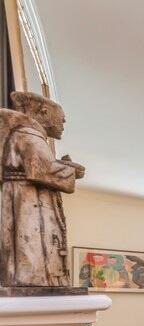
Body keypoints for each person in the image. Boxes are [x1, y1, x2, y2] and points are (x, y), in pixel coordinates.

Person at [0, 91, 85, 288]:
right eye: (61, 120)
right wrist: (71, 171)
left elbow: (41, 165)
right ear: (45, 112)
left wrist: (67, 167)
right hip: (27, 200)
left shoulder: (28, 135)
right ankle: (33, 279)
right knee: (31, 242)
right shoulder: (29, 134)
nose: (63, 125)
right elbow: (42, 170)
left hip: (27, 197)